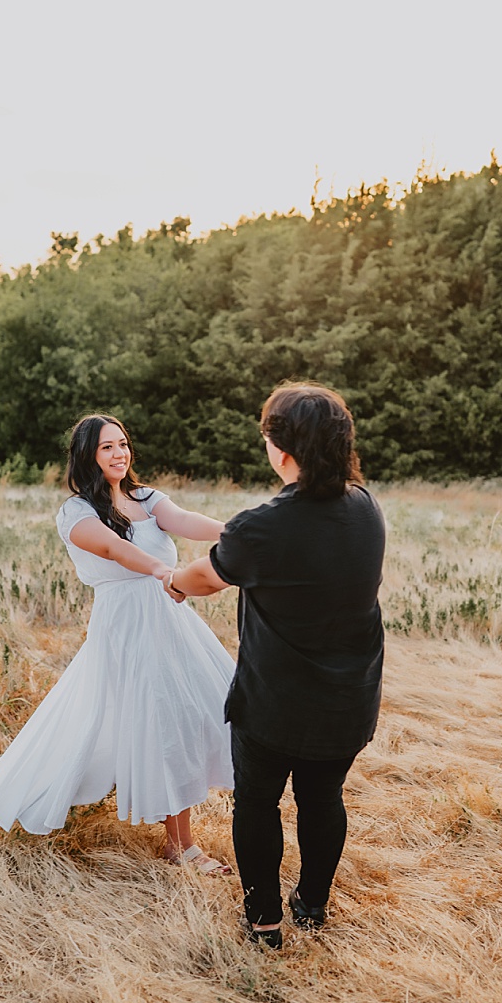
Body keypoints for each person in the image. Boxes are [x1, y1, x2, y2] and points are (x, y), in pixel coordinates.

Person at [168, 383, 385, 949]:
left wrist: (172, 580)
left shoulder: (259, 527)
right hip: (348, 697)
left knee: (257, 804)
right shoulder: (366, 508)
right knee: (323, 798)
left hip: (276, 701)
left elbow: (202, 578)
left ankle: (264, 921)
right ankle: (312, 908)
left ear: (282, 450)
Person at [0, 414, 236, 872]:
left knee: (189, 717)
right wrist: (161, 570)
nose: (120, 453)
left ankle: (179, 840)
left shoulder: (146, 498)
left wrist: (238, 531)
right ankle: (181, 846)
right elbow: (112, 548)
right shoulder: (76, 512)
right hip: (126, 626)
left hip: (170, 621)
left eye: (124, 444)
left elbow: (186, 520)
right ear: (87, 455)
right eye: (107, 447)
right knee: (143, 723)